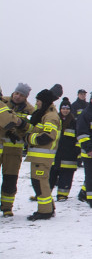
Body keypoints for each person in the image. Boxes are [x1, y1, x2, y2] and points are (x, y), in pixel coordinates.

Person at [25, 87, 61, 220]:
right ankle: (48, 208)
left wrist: (28, 138)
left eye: (38, 100)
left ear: (44, 101)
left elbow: (46, 136)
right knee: (39, 183)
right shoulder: (44, 114)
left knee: (40, 183)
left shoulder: (50, 116)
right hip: (39, 157)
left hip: (42, 158)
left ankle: (45, 211)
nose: (37, 103)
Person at [1, 82, 35, 216]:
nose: (17, 97)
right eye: (16, 93)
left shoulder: (30, 111)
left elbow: (33, 128)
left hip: (14, 151)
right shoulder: (3, 101)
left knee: (10, 179)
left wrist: (22, 126)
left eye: (21, 95)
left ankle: (7, 207)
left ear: (26, 97)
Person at [51, 97, 79, 202]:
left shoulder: (74, 122)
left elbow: (78, 138)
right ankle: (45, 193)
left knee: (66, 176)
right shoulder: (55, 120)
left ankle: (62, 195)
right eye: (63, 108)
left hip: (69, 155)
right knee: (51, 174)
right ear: (60, 109)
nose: (65, 110)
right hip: (55, 153)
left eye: (67, 109)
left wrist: (77, 150)